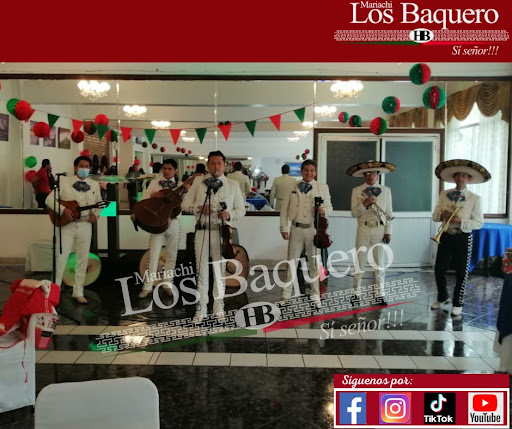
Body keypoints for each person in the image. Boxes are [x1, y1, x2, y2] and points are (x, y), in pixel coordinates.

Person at [182, 151, 246, 322]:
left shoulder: (233, 184)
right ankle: (201, 308)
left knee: (219, 271)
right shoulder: (198, 182)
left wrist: (230, 214)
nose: (216, 166)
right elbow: (185, 204)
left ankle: (219, 308)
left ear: (224, 165)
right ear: (208, 165)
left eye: (219, 163)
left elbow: (241, 210)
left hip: (221, 233)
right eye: (212, 163)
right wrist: (198, 208)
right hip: (202, 231)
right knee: (201, 271)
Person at [431, 159, 490, 317]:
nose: (460, 178)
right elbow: (434, 216)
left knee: (462, 272)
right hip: (445, 235)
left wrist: (461, 221)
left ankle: (458, 303)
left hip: (463, 237)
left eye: (464, 175)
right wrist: (441, 215)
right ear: (454, 178)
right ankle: (442, 297)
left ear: (469, 179)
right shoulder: (444, 194)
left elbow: (479, 223)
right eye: (458, 175)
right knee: (439, 269)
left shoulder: (475, 198)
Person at [45, 156, 102, 304]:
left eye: (87, 166)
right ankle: (54, 292)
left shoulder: (94, 185)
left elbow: (100, 203)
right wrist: (63, 210)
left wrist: (96, 214)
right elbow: (49, 200)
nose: (84, 169)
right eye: (81, 166)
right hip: (67, 226)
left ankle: (78, 291)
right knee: (61, 257)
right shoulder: (64, 182)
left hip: (85, 225)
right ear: (75, 167)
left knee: (83, 258)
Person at [279, 159, 332, 308]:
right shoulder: (292, 186)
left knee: (314, 264)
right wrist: (283, 227)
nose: (309, 173)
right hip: (296, 228)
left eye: (312, 170)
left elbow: (330, 207)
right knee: (292, 263)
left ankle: (315, 295)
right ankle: (285, 295)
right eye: (306, 170)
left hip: (313, 230)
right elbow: (284, 208)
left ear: (315, 172)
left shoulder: (322, 187)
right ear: (302, 171)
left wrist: (324, 210)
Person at [138, 159, 191, 298]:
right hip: (157, 222)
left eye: (170, 169)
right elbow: (143, 199)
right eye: (165, 168)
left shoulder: (181, 185)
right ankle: (148, 286)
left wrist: (186, 191)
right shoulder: (155, 183)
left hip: (174, 222)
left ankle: (168, 283)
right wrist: (152, 195)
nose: (166, 171)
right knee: (153, 254)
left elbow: (186, 204)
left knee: (171, 254)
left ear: (175, 171)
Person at [348, 160, 395, 307]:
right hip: (363, 228)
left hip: (379, 229)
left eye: (373, 173)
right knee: (359, 261)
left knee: (379, 262)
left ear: (378, 174)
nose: (370, 176)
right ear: (364, 175)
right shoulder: (357, 190)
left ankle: (380, 293)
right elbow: (354, 213)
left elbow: (389, 212)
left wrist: (388, 231)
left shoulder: (386, 190)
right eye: (367, 173)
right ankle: (356, 293)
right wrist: (364, 204)